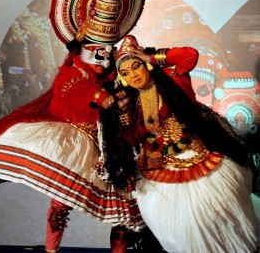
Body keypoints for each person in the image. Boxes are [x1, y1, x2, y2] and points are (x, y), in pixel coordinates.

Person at [0, 0, 152, 253]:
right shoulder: (73, 70)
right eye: (96, 50)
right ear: (83, 45)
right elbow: (69, 94)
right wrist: (102, 99)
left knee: (125, 212)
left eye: (108, 50)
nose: (103, 56)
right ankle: (52, 251)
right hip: (77, 143)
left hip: (118, 147)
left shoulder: (122, 70)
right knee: (60, 202)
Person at [100, 35, 260, 253]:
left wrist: (152, 56)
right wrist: (126, 122)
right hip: (159, 166)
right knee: (178, 224)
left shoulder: (173, 78)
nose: (133, 75)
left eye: (136, 66)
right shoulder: (132, 102)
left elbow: (189, 56)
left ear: (147, 65)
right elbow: (134, 139)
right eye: (126, 73)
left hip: (195, 155)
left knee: (217, 209)